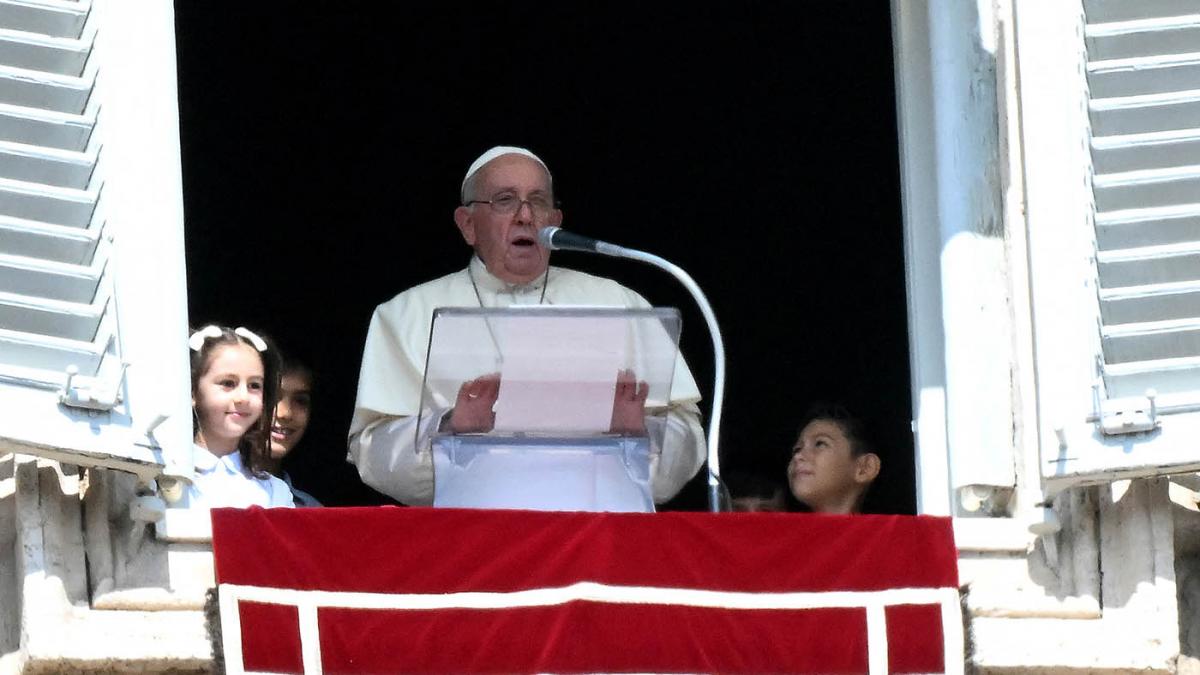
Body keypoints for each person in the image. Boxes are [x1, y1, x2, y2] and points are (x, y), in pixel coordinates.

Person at [349, 145, 706, 506]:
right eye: (505, 200)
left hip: (601, 533)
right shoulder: (406, 314)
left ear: (555, 219)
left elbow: (688, 432)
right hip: (476, 538)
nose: (525, 216)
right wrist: (450, 428)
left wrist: (636, 432)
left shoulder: (619, 303)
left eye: (537, 202)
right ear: (468, 224)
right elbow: (372, 450)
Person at [188, 325, 294, 509]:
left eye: (254, 385)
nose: (243, 397)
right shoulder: (161, 478)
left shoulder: (274, 492)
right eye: (228, 383)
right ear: (192, 392)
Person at [786, 404, 881, 514]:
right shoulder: (779, 530)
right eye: (797, 449)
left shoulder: (891, 531)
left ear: (865, 468)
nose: (798, 456)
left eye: (820, 444)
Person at [264, 356, 322, 507]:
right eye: (271, 396)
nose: (285, 413)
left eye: (300, 400)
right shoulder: (199, 492)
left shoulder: (311, 512)